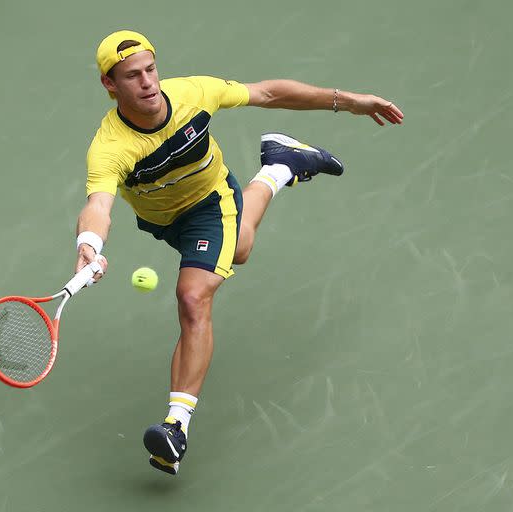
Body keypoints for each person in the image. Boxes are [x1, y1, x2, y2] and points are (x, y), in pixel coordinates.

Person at [74, 30, 404, 475]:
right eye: (132, 76)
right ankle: (282, 164)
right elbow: (99, 205)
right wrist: (89, 246)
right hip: (165, 222)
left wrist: (349, 100)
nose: (148, 83)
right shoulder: (110, 147)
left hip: (212, 202)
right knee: (241, 248)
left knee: (193, 295)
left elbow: (267, 93)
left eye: (151, 69)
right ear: (110, 85)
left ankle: (176, 427)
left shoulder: (192, 94)